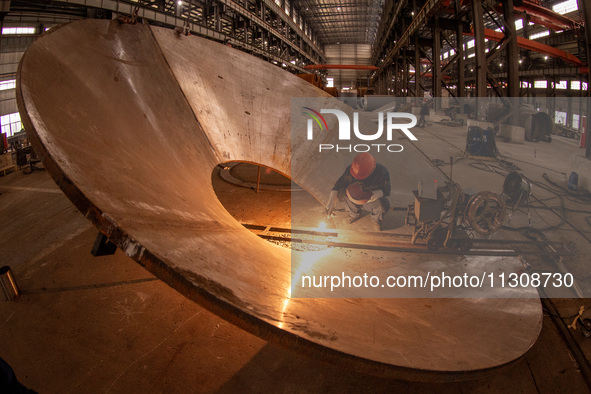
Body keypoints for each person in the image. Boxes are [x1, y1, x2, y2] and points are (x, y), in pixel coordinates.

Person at [326, 152, 391, 231]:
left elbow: (387, 190)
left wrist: (374, 195)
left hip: (370, 201)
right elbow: (338, 185)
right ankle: (354, 214)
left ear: (372, 171)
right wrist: (331, 203)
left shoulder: (382, 173)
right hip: (352, 200)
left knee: (383, 204)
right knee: (341, 193)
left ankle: (376, 220)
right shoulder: (350, 171)